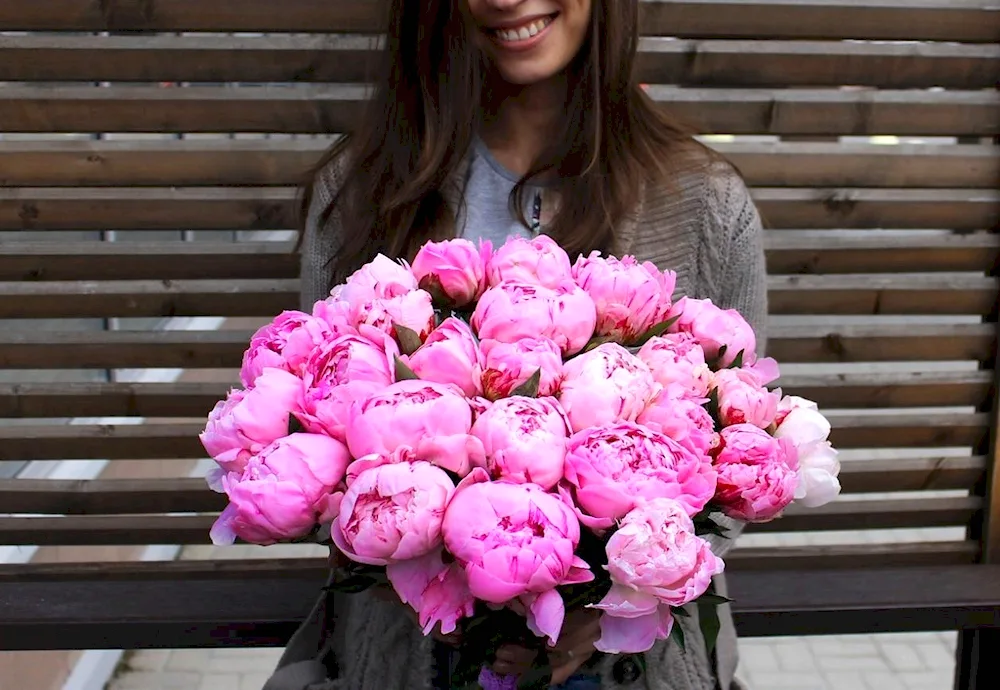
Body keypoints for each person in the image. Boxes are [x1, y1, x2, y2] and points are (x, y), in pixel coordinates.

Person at [264, 1, 766, 688]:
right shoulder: (359, 192)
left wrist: (614, 604)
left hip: (628, 665)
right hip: (412, 654)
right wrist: (433, 579)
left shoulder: (706, 203)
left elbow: (741, 446)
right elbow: (313, 429)